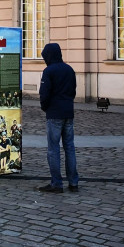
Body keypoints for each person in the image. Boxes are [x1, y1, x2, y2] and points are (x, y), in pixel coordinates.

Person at [38, 42, 79, 193]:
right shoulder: (69, 69)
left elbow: (44, 94)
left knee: (53, 149)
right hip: (68, 112)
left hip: (54, 114)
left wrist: (45, 107)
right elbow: (73, 91)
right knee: (70, 148)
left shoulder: (49, 71)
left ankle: (56, 183)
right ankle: (73, 182)